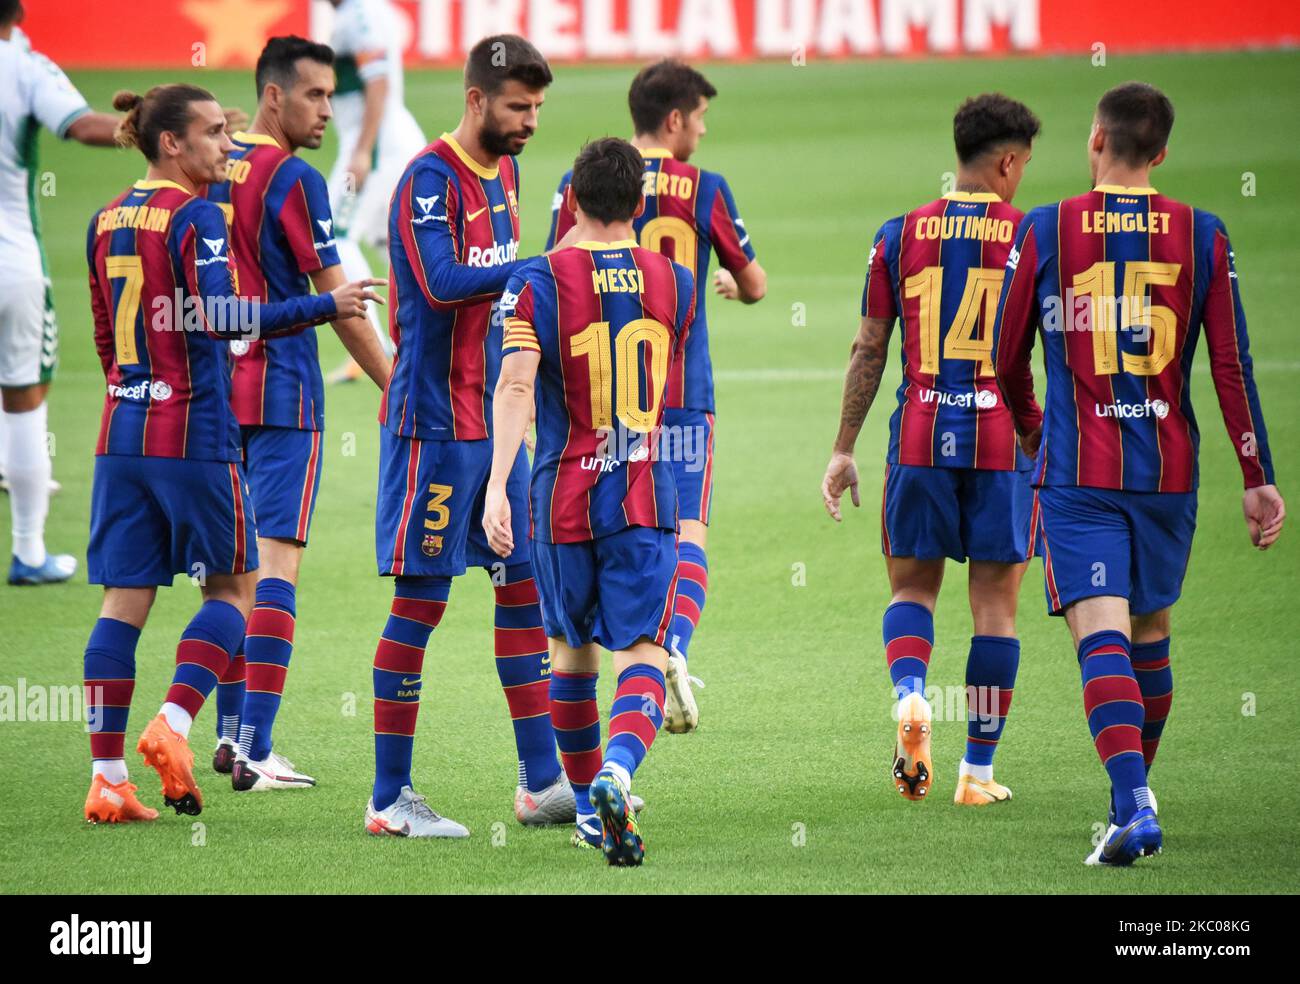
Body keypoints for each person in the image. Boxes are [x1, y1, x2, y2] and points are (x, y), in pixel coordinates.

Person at [991, 81, 1284, 864]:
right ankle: (1132, 798)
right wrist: (1257, 475)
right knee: (1149, 633)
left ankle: (1130, 803)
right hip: (1169, 470)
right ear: (1160, 153)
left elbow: (1002, 349)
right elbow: (1231, 363)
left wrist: (1030, 429)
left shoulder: (1047, 227)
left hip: (1080, 467)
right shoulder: (1204, 234)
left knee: (1101, 634)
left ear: (1095, 140)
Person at [81, 83, 380, 823]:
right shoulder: (195, 215)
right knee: (237, 592)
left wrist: (134, 387)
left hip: (121, 431)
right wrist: (323, 304)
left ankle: (108, 778)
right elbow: (220, 317)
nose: (228, 145)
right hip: (193, 435)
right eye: (214, 134)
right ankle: (174, 724)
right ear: (172, 145)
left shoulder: (104, 217)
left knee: (123, 603)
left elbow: (101, 335)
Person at [364, 35, 567, 839]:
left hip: (498, 424)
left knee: (523, 585)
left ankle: (541, 781)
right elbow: (443, 283)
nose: (530, 122)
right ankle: (387, 799)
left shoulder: (507, 171)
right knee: (422, 603)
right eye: (519, 107)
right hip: (435, 429)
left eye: (538, 108)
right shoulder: (427, 179)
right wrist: (537, 268)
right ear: (477, 99)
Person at [821, 94, 1041, 806]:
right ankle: (976, 772)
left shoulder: (898, 233)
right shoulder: (1029, 236)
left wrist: (844, 447)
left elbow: (869, 348)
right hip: (1001, 440)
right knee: (996, 610)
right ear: (1008, 162)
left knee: (913, 589)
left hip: (919, 434)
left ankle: (913, 697)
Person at [485, 136, 695, 865]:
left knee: (570, 656)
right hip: (643, 491)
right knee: (638, 648)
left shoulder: (534, 280)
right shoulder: (676, 282)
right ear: (641, 205)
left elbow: (515, 385)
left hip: (561, 497)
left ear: (571, 200)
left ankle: (583, 804)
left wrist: (495, 487)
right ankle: (614, 772)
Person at [546, 59, 766, 734]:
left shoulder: (575, 183)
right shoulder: (704, 186)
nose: (700, 130)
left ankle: (614, 665)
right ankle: (672, 640)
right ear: (674, 119)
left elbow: (555, 275)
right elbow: (754, 282)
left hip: (605, 396)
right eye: (699, 117)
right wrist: (730, 284)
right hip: (681, 390)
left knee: (609, 530)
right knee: (689, 533)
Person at [203, 35, 392, 790]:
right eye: (314, 95)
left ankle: (227, 738)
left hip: (213, 397)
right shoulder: (294, 178)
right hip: (280, 393)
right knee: (277, 567)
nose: (328, 110)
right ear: (273, 96)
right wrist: (397, 386)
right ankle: (255, 746)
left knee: (229, 575)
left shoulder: (207, 167)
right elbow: (343, 304)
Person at [0, 0, 121, 585]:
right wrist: (156, 125)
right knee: (24, 400)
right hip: (12, 263)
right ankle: (27, 552)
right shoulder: (24, 66)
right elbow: (82, 126)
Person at [323, 0, 425, 384]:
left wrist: (364, 150)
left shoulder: (357, 16)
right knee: (393, 243)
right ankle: (421, 346)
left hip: (378, 147)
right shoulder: (367, 11)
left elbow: (377, 81)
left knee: (334, 237)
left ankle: (375, 348)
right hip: (389, 141)